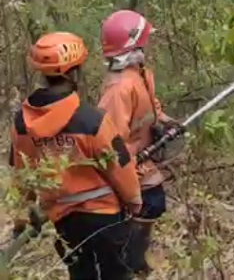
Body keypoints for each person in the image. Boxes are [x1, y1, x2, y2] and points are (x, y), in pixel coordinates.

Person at [9, 32, 142, 280]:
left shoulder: (22, 125)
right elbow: (119, 164)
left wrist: (22, 219)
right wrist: (135, 201)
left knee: (81, 274)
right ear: (74, 73)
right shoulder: (92, 120)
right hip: (106, 218)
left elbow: (22, 176)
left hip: (64, 221)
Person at [98, 9, 182, 276]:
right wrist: (126, 170)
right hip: (128, 163)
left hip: (142, 159)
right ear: (133, 46)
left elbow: (151, 107)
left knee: (155, 203)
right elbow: (109, 139)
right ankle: (127, 262)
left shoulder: (141, 73)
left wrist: (166, 121)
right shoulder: (119, 88)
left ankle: (134, 257)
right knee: (148, 204)